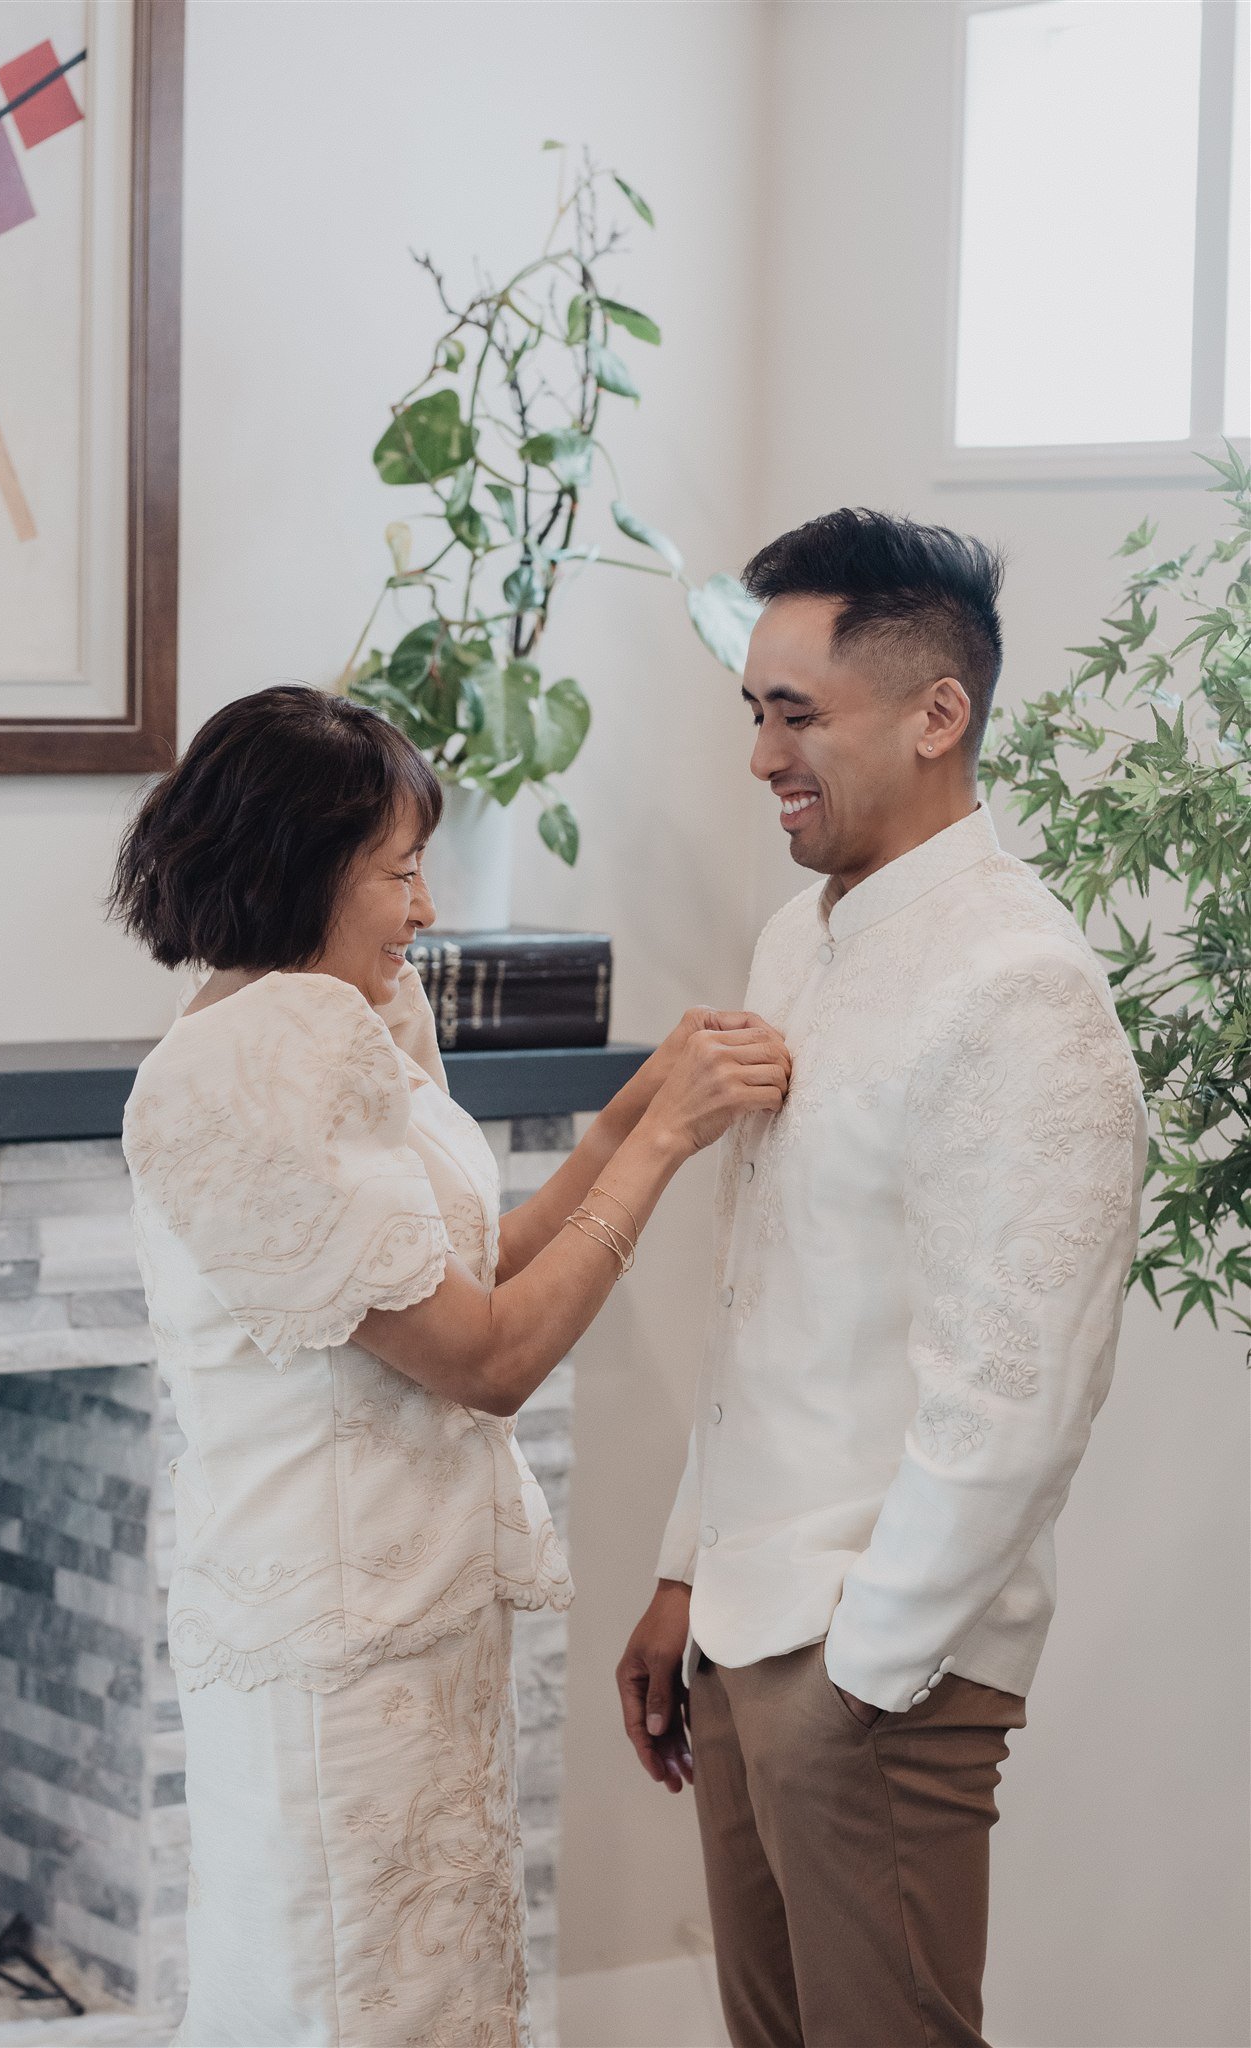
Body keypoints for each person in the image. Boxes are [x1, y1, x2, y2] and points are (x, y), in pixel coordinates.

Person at [111, 685, 790, 2048]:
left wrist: (635, 1112)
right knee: (351, 2000)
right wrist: (658, 1157)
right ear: (294, 868)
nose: (424, 912)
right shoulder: (240, 1072)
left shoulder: (342, 1019)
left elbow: (458, 1272)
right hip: (332, 1640)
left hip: (413, 1621)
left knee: (434, 1993)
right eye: (401, 874)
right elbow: (485, 1360)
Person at [618, 510, 1147, 2048]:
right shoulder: (799, 939)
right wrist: (683, 1570)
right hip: (743, 1625)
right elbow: (759, 1293)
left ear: (936, 714)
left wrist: (862, 1676)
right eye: (754, 712)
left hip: (876, 1666)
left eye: (797, 715)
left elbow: (1020, 1391)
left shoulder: (1024, 990)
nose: (763, 756)